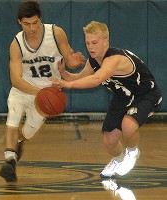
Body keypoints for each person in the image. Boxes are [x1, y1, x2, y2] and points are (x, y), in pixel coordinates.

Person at [51, 21, 162, 178]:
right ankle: (117, 160)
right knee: (109, 141)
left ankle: (132, 152)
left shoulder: (114, 59)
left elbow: (96, 79)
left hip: (146, 94)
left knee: (128, 125)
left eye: (95, 43)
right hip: (123, 96)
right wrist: (64, 74)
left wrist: (67, 84)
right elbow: (79, 77)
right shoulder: (93, 61)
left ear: (106, 42)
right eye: (88, 43)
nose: (90, 47)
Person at [0, 0, 85, 183]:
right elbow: (16, 79)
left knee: (28, 132)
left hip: (47, 92)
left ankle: (18, 143)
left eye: (35, 23)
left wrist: (74, 62)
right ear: (19, 22)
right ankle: (9, 161)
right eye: (26, 24)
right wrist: (39, 91)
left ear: (40, 19)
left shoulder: (56, 33)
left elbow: (68, 59)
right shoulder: (16, 44)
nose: (31, 28)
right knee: (13, 116)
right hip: (23, 89)